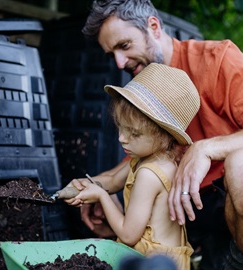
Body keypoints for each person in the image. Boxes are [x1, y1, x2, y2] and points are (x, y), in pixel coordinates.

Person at [66, 0, 243, 269]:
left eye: (124, 46)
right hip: (198, 206)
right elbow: (136, 162)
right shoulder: (145, 84)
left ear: (153, 27)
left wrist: (205, 148)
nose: (120, 63)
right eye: (112, 55)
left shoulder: (217, 59)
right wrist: (94, 186)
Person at [69, 63, 197, 269]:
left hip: (150, 263)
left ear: (164, 136)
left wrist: (101, 196)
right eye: (120, 127)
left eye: (134, 133)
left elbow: (129, 235)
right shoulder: (161, 160)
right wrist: (88, 185)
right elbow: (111, 181)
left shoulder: (148, 174)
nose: (122, 139)